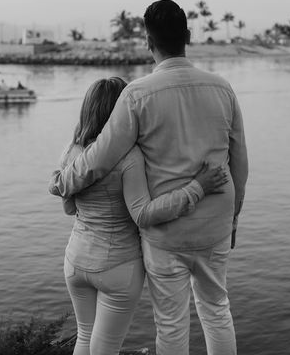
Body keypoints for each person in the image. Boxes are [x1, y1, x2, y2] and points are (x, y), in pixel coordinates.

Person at [50, 0, 248, 355]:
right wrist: (234, 218)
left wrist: (63, 182)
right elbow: (240, 163)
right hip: (216, 221)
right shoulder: (223, 88)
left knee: (171, 325)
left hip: (164, 232)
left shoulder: (136, 95)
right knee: (217, 310)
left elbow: (100, 157)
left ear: (147, 42)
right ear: (188, 35)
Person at [56, 76, 228, 355]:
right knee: (105, 348)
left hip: (75, 261)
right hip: (117, 266)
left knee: (84, 337)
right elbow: (144, 215)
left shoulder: (71, 151)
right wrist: (197, 187)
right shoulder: (128, 157)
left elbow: (69, 208)